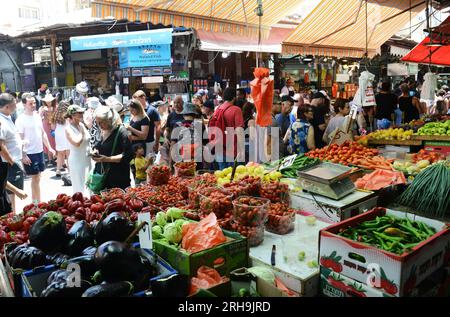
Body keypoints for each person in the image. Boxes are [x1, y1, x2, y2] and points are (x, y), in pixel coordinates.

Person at [15, 93, 56, 203]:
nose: (33, 105)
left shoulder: (37, 116)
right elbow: (20, 139)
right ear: (24, 104)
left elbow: (42, 134)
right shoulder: (20, 119)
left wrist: (50, 148)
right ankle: (37, 203)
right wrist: (23, 155)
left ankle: (36, 202)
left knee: (38, 178)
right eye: (30, 103)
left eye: (34, 103)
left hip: (40, 151)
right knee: (35, 177)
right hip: (29, 153)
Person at [91, 106, 134, 190]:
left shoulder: (122, 132)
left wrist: (107, 159)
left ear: (110, 120)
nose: (99, 125)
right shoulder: (103, 130)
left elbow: (128, 155)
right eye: (97, 122)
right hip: (102, 176)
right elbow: (99, 145)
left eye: (102, 122)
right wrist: (95, 151)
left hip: (117, 178)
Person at [0, 93, 27, 212]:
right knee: (9, 196)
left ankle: (13, 216)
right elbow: (1, 145)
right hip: (7, 163)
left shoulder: (8, 117)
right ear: (6, 107)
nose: (16, 107)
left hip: (14, 161)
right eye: (14, 105)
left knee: (14, 194)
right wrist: (11, 161)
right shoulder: (1, 120)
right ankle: (12, 219)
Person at [209, 87, 245, 168]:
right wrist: (242, 149)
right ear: (234, 97)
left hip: (219, 148)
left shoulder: (217, 110)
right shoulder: (236, 110)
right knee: (234, 177)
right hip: (232, 150)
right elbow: (239, 130)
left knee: (223, 176)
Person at [65, 105, 91, 195]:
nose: (82, 114)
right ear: (72, 115)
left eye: (82, 112)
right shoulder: (68, 129)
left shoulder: (82, 125)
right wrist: (81, 133)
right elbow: (76, 143)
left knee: (89, 185)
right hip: (77, 161)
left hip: (87, 159)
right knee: (80, 187)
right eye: (79, 113)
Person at [134, 90, 161, 159]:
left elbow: (158, 127)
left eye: (137, 100)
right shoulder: (136, 110)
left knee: (149, 165)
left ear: (143, 98)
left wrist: (157, 143)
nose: (136, 103)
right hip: (137, 144)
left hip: (149, 143)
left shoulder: (152, 110)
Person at [161, 96, 184, 167]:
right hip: (173, 142)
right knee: (172, 163)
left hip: (184, 142)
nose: (176, 104)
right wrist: (165, 138)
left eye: (178, 102)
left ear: (183, 103)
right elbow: (167, 129)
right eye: (174, 103)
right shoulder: (171, 115)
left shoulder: (186, 114)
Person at [52, 100, 70, 177]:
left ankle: (58, 170)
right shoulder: (68, 114)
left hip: (58, 134)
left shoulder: (55, 114)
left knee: (60, 153)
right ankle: (69, 170)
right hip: (66, 133)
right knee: (68, 154)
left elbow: (52, 127)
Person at [38, 94, 57, 167]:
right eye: (47, 101)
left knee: (55, 141)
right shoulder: (42, 108)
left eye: (50, 101)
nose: (48, 103)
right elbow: (39, 117)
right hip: (46, 125)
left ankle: (56, 158)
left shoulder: (55, 107)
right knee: (48, 141)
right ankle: (50, 159)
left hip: (54, 125)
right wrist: (42, 111)